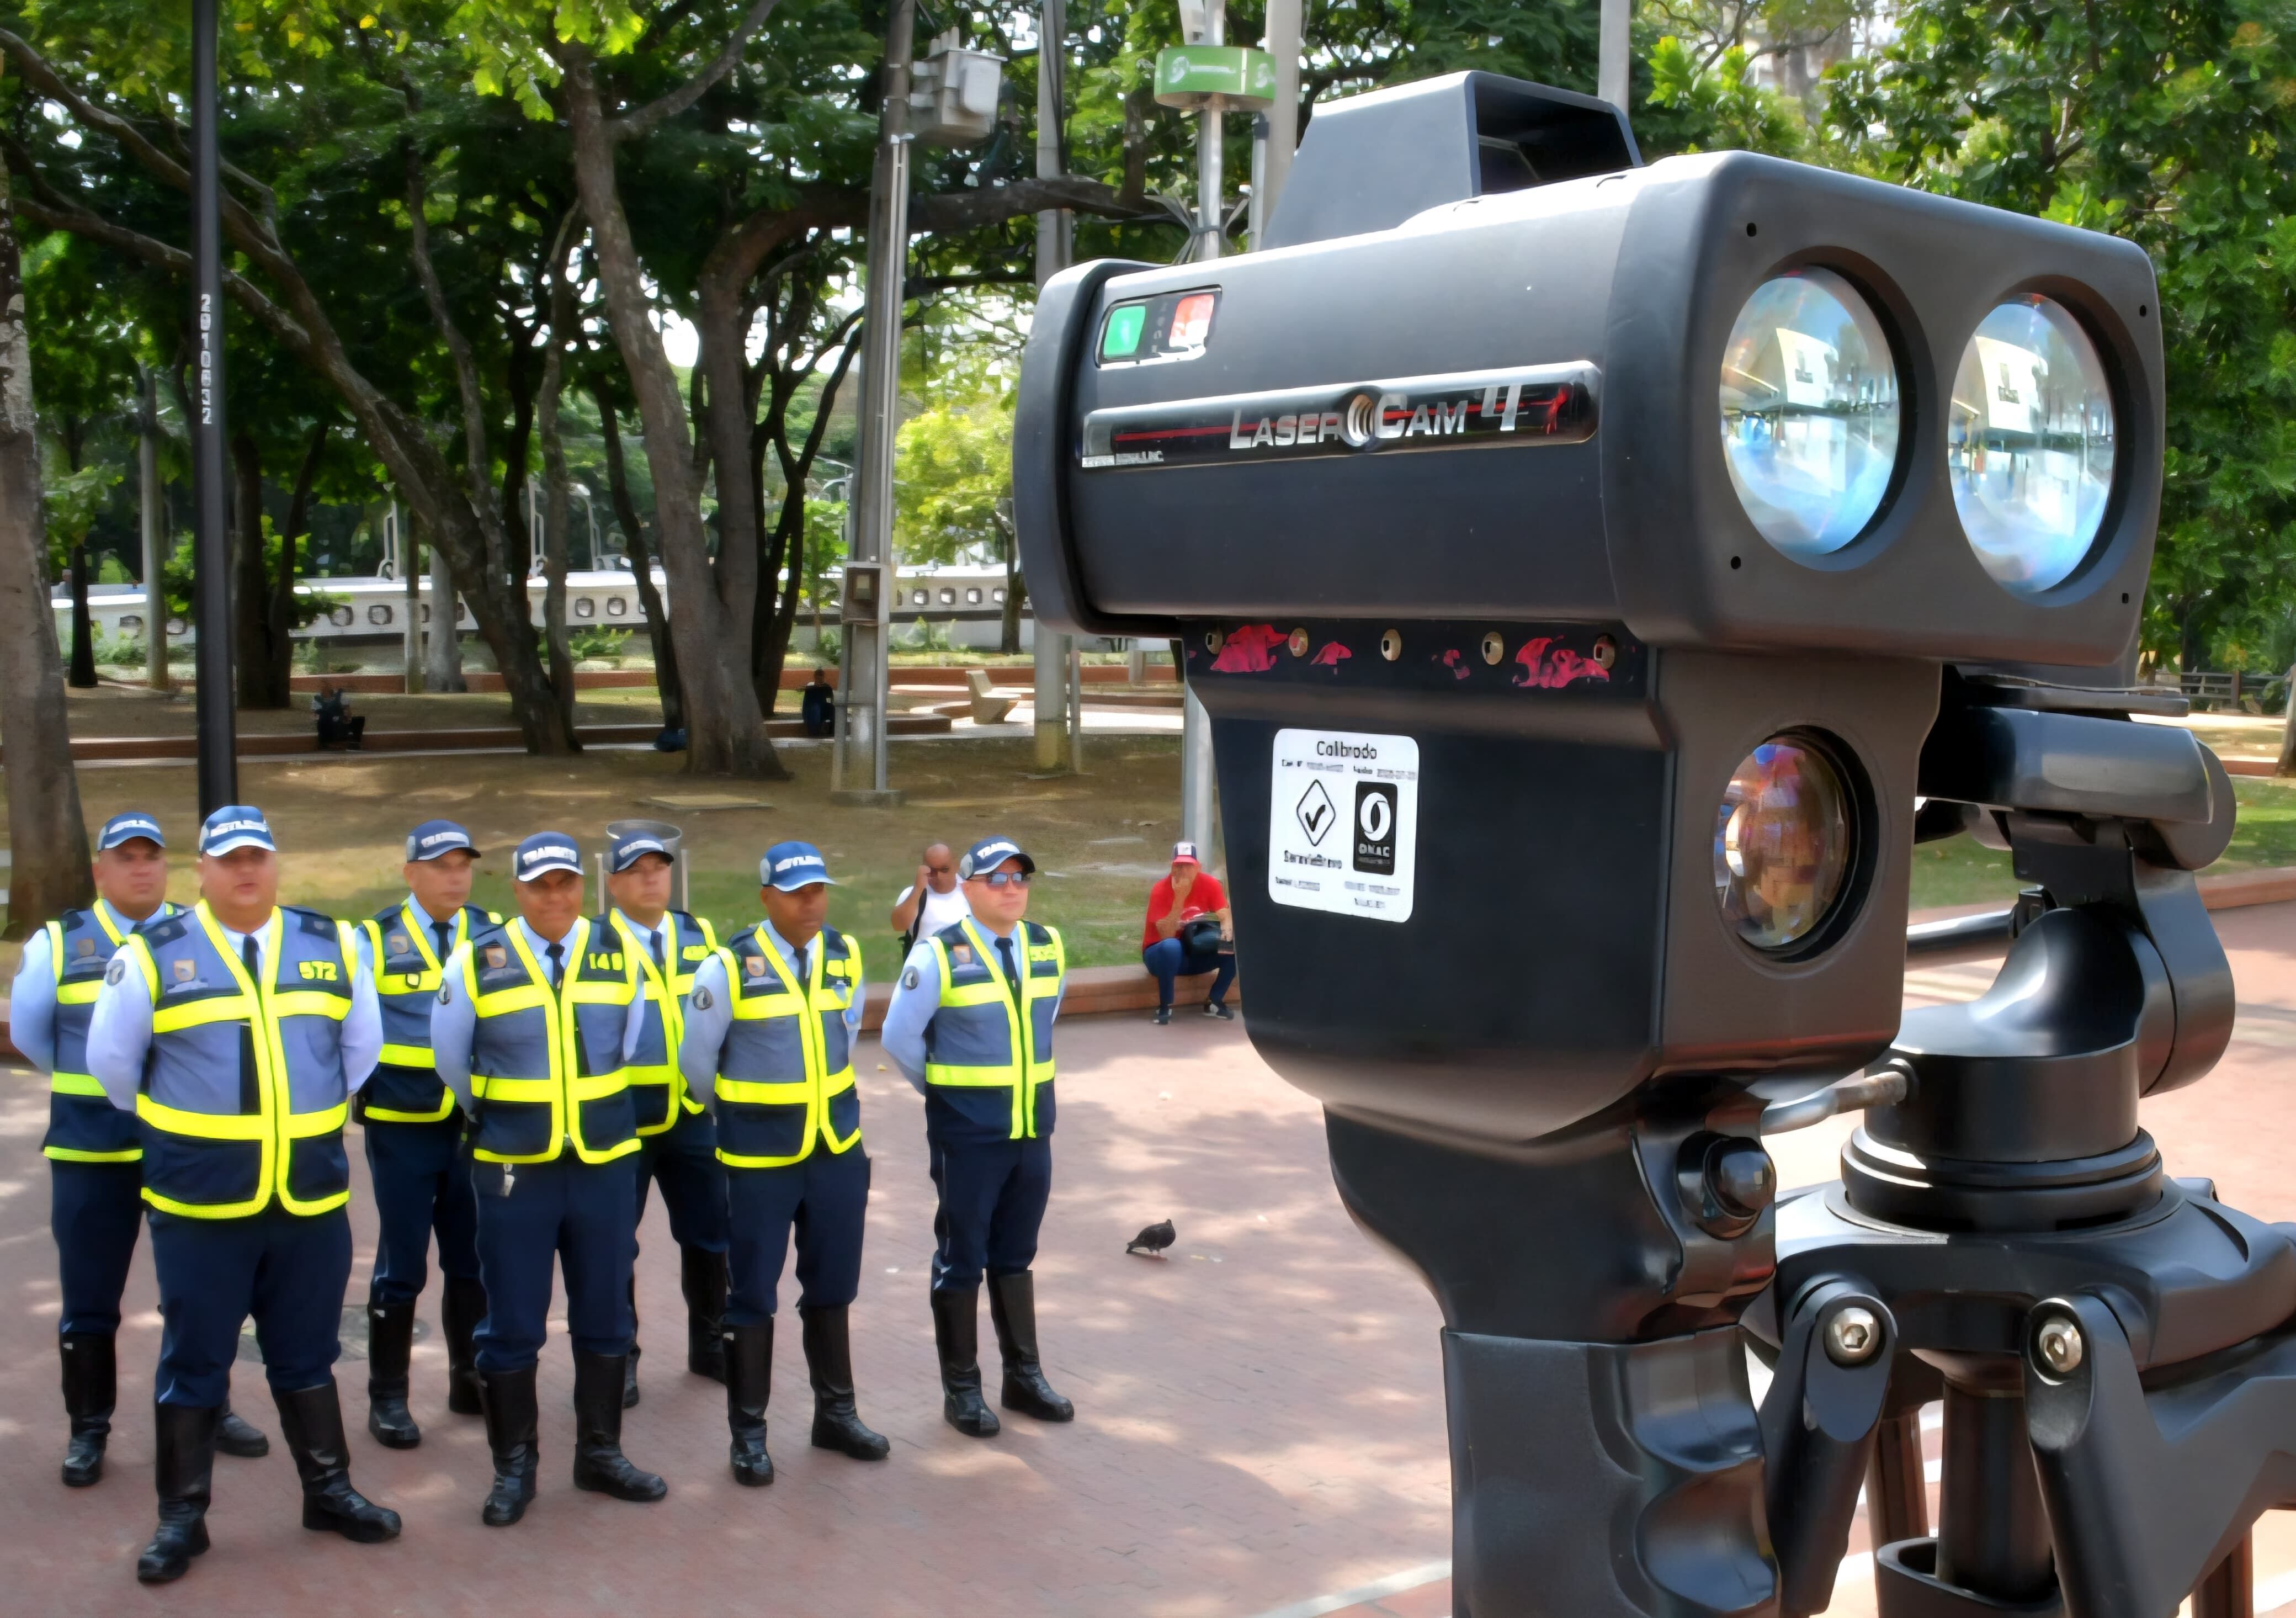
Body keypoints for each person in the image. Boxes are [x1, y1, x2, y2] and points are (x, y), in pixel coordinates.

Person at [85, 805, 398, 1583]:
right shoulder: (154, 953)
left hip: (308, 1198)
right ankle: (181, 1517)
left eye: (257, 856)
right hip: (202, 1202)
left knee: (308, 1353)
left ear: (277, 862)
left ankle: (327, 1490)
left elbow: (361, 1050)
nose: (246, 871)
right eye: (228, 860)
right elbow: (114, 1066)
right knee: (196, 1358)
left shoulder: (334, 944)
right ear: (203, 869)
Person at [11, 812, 270, 1488]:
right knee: (91, 1298)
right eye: (125, 857)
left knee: (200, 1295)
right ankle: (88, 1429)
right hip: (92, 1154)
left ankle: (211, 1411)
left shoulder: (199, 936)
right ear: (100, 870)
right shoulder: (60, 945)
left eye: (151, 856)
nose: (140, 868)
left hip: (182, 1156)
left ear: (169, 865)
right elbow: (36, 1039)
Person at [431, 832, 662, 1527]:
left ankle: (599, 1454)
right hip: (515, 1171)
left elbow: (626, 1043)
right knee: (512, 1324)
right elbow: (451, 1060)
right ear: (518, 891)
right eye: (540, 886)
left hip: (600, 1164)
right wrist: (508, 1116)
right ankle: (514, 1469)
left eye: (565, 884)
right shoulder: (477, 961)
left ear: (580, 889)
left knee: (605, 1314)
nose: (554, 897)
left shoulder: (620, 951)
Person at [679, 841, 887, 1486]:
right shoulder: (728, 967)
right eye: (797, 892)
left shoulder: (843, 954)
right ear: (767, 897)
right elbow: (696, 1062)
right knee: (752, 1294)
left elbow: (844, 1035)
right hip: (758, 1156)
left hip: (834, 1151)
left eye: (818, 890)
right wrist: (744, 1115)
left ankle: (836, 1414)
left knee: (832, 1286)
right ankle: (748, 1434)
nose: (811, 903)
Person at [880, 835, 1075, 1438]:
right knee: (962, 1257)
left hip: (1030, 1130)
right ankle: (962, 1390)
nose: (1011, 888)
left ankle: (1022, 1376)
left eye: (1020, 877)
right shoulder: (938, 954)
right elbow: (898, 1038)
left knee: (1015, 1255)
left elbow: (1045, 1022)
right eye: (996, 879)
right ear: (966, 888)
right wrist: (948, 1096)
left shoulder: (1046, 946)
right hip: (967, 1136)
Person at [352, 820, 499, 1449]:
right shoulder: (374, 939)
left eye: (463, 864)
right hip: (402, 1128)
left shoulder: (493, 934)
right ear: (411, 873)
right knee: (403, 1261)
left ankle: (469, 1378)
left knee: (471, 1257)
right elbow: (353, 1033)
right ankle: (388, 1395)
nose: (455, 876)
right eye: (441, 866)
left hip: (473, 1127)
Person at [602, 826, 727, 1405]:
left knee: (709, 1232)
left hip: (691, 1110)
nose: (652, 877)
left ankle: (710, 1342)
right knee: (613, 1241)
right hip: (623, 1113)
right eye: (636, 869)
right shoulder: (594, 943)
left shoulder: (696, 933)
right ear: (613, 882)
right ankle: (621, 1355)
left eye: (659, 867)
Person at [1141, 840, 1236, 1025]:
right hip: (1159, 956)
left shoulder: (1209, 884)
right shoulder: (1160, 890)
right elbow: (1166, 935)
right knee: (1172, 947)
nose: (1184, 871)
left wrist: (1227, 928)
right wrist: (1180, 898)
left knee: (1234, 946)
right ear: (1172, 867)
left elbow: (1224, 913)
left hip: (1191, 954)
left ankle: (1215, 1001)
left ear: (1198, 867)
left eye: (1189, 866)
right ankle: (1165, 1005)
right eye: (1179, 866)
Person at [888, 841, 970, 955]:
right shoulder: (914, 895)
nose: (939, 877)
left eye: (945, 869)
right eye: (932, 871)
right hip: (924, 965)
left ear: (956, 866)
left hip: (966, 965)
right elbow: (898, 926)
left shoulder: (971, 891)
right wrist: (918, 890)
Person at [312, 686, 365, 751]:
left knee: (359, 720)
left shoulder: (339, 696)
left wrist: (348, 717)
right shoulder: (318, 699)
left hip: (341, 720)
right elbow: (315, 715)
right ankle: (327, 744)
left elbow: (348, 709)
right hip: (329, 722)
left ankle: (355, 743)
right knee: (324, 718)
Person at [800, 667, 836, 738]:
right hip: (812, 709)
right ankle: (815, 733)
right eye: (818, 676)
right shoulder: (810, 687)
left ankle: (832, 732)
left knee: (833, 709)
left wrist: (829, 705)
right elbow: (807, 703)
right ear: (815, 677)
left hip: (824, 708)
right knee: (816, 708)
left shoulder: (827, 687)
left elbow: (830, 700)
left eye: (821, 676)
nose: (820, 678)